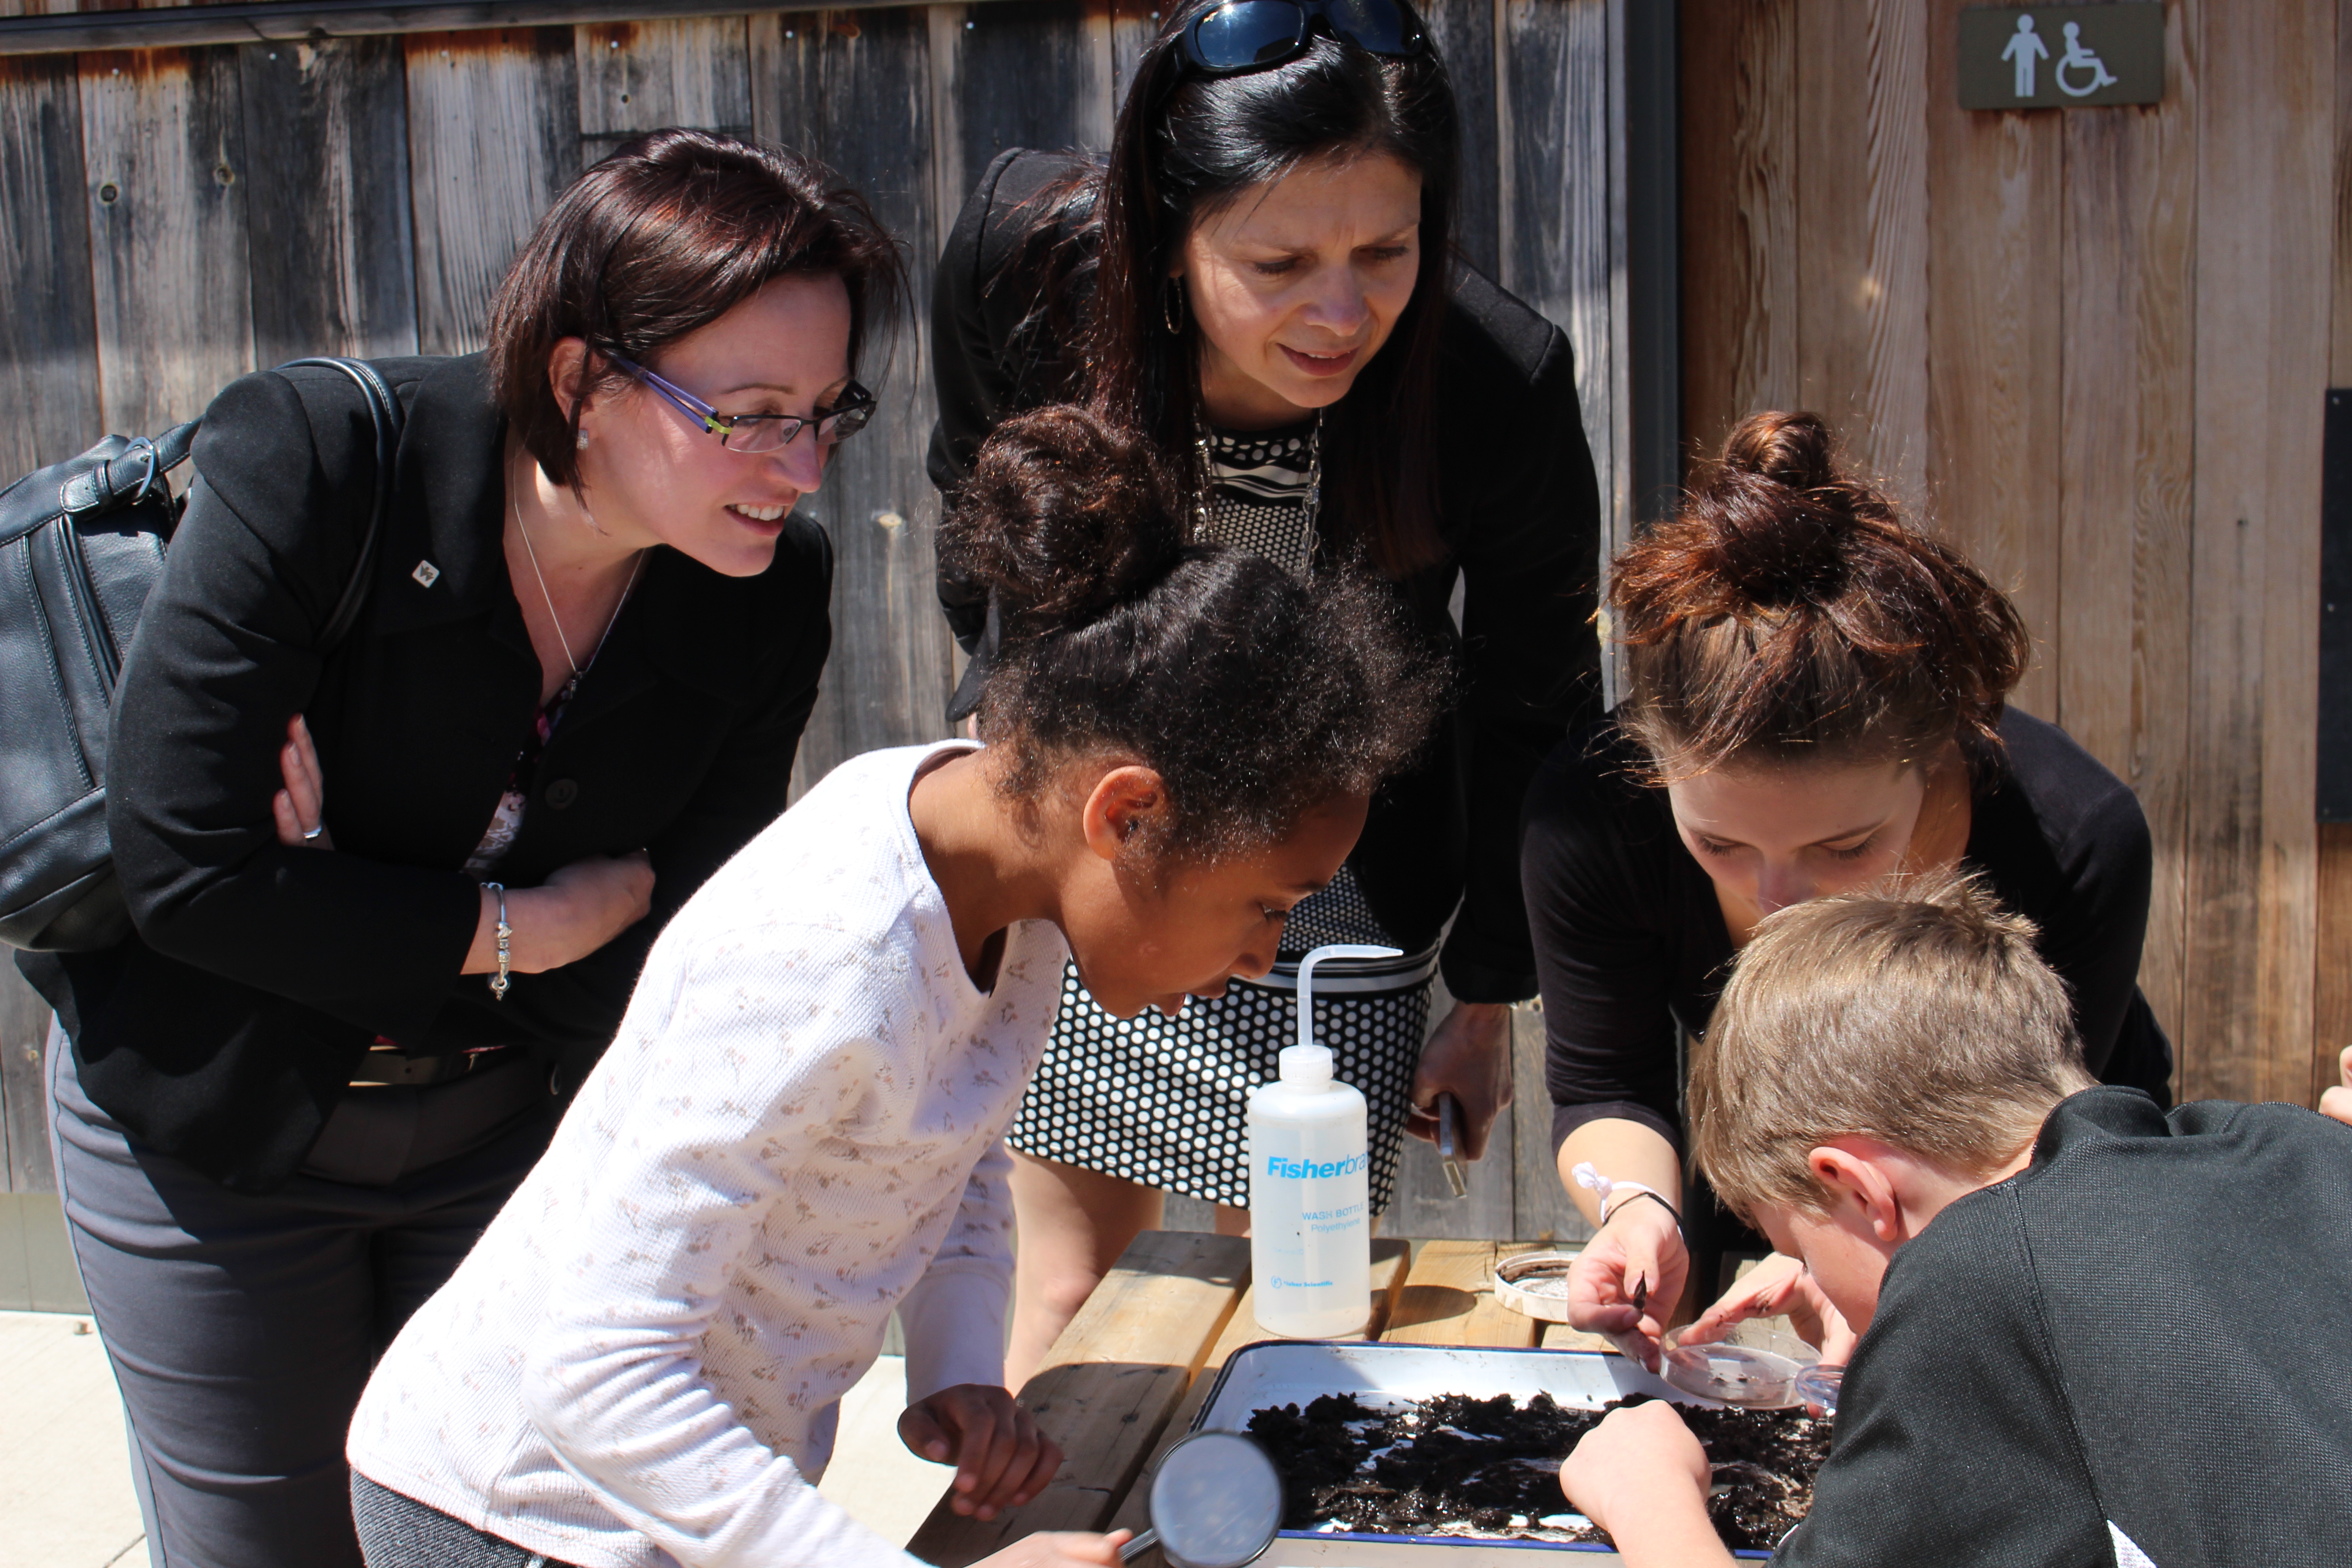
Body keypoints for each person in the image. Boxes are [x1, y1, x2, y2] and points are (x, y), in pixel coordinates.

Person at [344, 405, 1444, 1568]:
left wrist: (963, 1362)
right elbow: (598, 1371)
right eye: (1270, 905)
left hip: (663, 1500)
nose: (1267, 956)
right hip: (513, 1512)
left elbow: (955, 1148)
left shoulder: (1005, 871)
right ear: (1126, 814)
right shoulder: (827, 957)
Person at [18, 130, 903, 1568]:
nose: (798, 467)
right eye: (748, 414)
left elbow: (679, 934)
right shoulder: (325, 460)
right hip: (216, 1120)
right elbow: (186, 876)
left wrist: (330, 899)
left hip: (506, 1130)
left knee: (491, 1535)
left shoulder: (764, 591)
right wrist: (524, 929)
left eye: (826, 413)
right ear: (580, 380)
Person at [929, 0, 1602, 1377]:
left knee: (1295, 1296)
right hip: (1099, 827)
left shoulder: (1492, 378)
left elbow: (1534, 692)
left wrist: (1481, 1000)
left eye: (1387, 249)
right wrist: (1028, 757)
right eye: (1279, 259)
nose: (1342, 311)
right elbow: (975, 507)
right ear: (1168, 239)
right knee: (1055, 1278)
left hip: (1331, 872)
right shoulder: (1025, 266)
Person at [1522, 410, 2176, 1365]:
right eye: (1718, 842)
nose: (1778, 895)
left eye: (1847, 845)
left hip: (2033, 1170)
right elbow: (1607, 1082)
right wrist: (1635, 1210)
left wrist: (1872, 1279)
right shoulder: (1588, 814)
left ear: (1942, 755)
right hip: (1770, 1145)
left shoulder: (2075, 838)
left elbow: (2027, 1153)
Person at [1556, 872, 2352, 1567]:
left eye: (1798, 1245)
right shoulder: (2295, 1148)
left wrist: (1649, 1500)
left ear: (1861, 1191)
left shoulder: (1976, 1283)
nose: (1807, 1275)